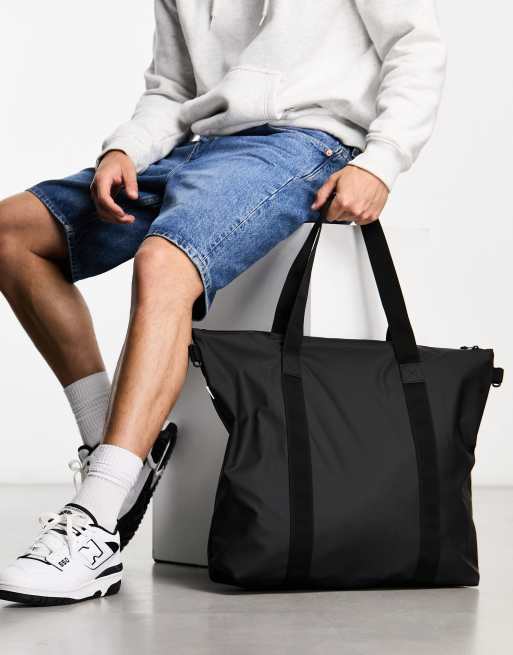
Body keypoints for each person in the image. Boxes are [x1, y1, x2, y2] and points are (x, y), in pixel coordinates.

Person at [0, 0, 446, 605]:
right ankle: (112, 443)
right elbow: (172, 88)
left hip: (305, 144)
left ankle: (97, 523)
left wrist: (384, 160)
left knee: (166, 259)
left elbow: (415, 44)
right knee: (12, 234)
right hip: (199, 148)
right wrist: (125, 150)